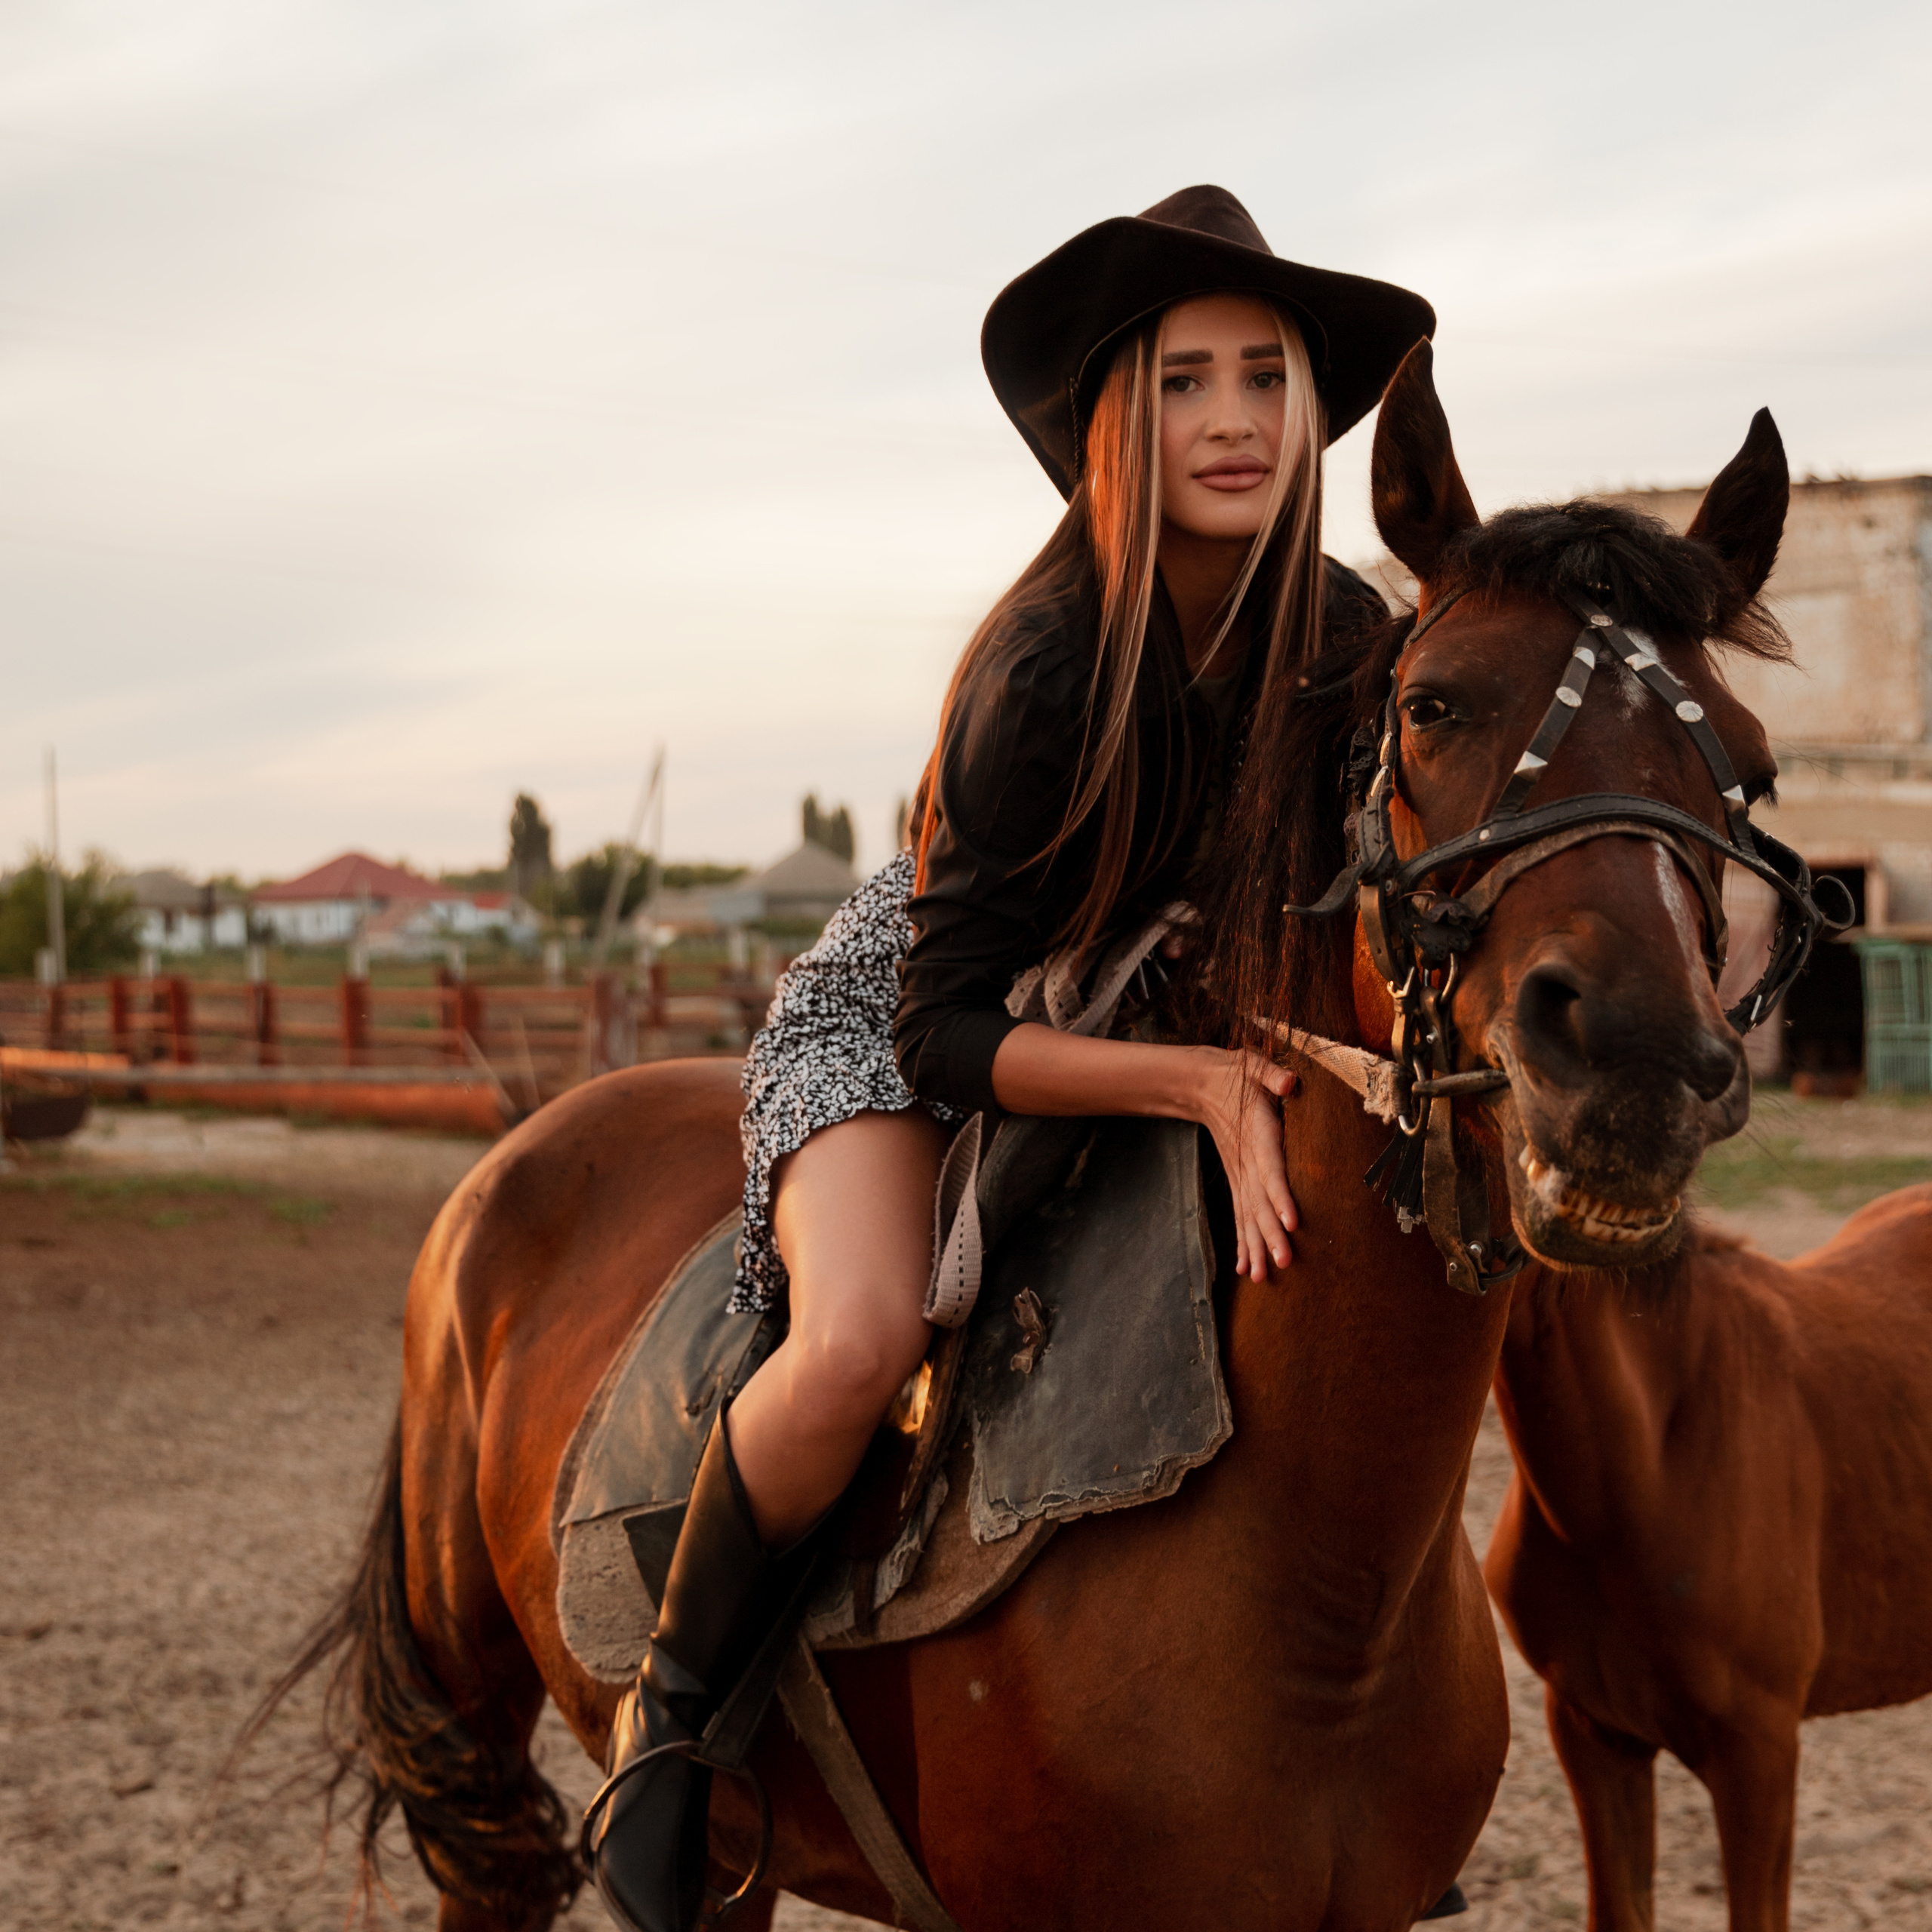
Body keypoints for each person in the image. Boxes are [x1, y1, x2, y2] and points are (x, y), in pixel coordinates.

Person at [589, 185, 1435, 1932]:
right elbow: (951, 1027)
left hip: (1176, 1007)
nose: (1232, 422)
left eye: (1265, 380)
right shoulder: (1044, 666)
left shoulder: (1345, 639)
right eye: (1187, 381)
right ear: (1115, 418)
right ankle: (670, 1737)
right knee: (857, 1337)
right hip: (918, 1017)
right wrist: (1200, 1088)